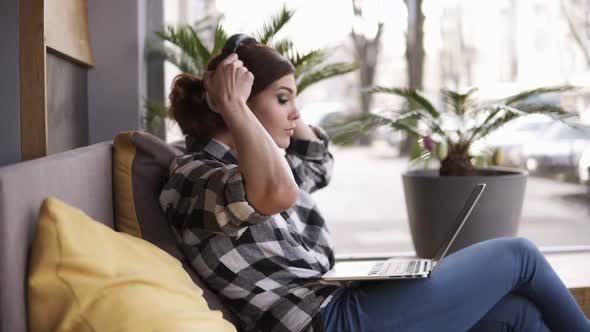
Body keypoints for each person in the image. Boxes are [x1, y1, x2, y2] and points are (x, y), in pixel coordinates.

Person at [159, 34, 590, 332]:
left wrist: (263, 81)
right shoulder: (194, 176)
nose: (296, 115)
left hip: (337, 308)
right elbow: (276, 192)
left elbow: (315, 164)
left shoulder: (256, 167)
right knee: (519, 255)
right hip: (323, 323)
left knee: (517, 314)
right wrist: (233, 102)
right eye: (284, 99)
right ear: (238, 106)